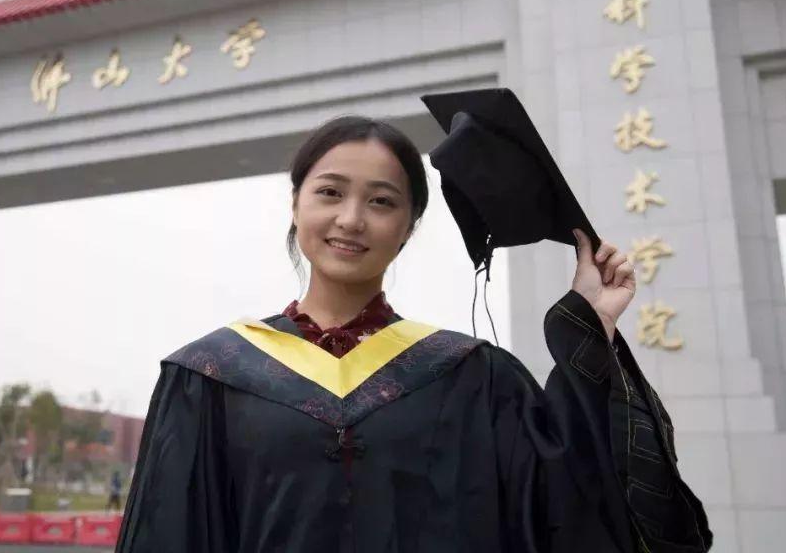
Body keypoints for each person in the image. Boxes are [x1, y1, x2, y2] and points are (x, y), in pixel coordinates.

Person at [115, 114, 711, 552]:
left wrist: (588, 333)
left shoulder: (474, 376)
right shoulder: (212, 375)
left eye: (381, 202)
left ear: (409, 226)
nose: (351, 219)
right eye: (330, 193)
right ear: (296, 205)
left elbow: (572, 506)